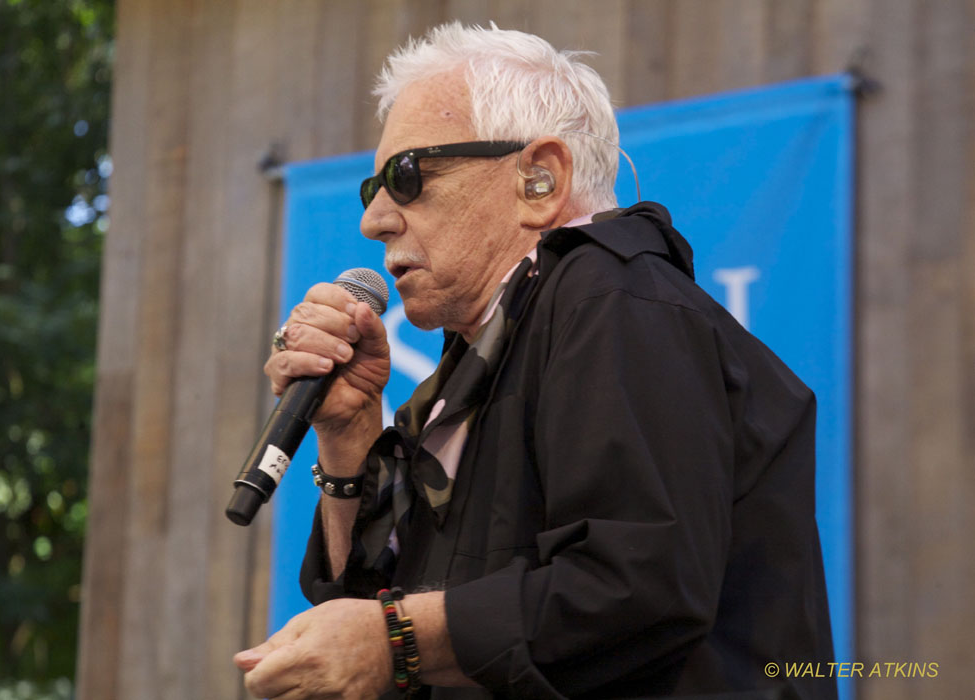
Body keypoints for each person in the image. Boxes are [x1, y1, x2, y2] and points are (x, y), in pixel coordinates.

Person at [233, 22, 836, 700]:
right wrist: (347, 435)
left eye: (407, 176)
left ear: (540, 180)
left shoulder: (617, 300)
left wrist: (393, 640)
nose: (374, 220)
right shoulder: (491, 349)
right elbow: (377, 611)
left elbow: (636, 587)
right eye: (371, 188)